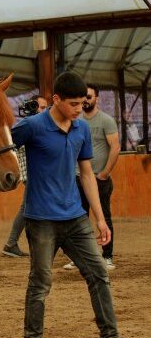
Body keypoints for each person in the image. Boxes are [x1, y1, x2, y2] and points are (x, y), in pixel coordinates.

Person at [4, 71, 147, 338]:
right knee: (41, 282)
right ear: (56, 100)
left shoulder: (80, 129)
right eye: (73, 104)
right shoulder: (31, 127)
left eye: (82, 103)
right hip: (41, 219)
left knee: (99, 274)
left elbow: (86, 173)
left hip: (75, 217)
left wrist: (100, 218)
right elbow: (1, 148)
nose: (79, 109)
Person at [64, 84, 120, 271]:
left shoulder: (106, 120)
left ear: (97, 98)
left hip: (99, 179)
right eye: (83, 97)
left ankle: (107, 256)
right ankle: (78, 257)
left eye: (89, 96)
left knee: (103, 217)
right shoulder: (76, 121)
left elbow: (115, 147)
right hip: (78, 178)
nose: (85, 100)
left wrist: (104, 173)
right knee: (78, 219)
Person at [2, 95, 49, 257]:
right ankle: (12, 243)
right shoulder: (28, 126)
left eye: (45, 107)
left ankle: (12, 243)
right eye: (42, 107)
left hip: (35, 175)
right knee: (28, 209)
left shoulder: (32, 125)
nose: (45, 110)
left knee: (29, 209)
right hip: (31, 174)